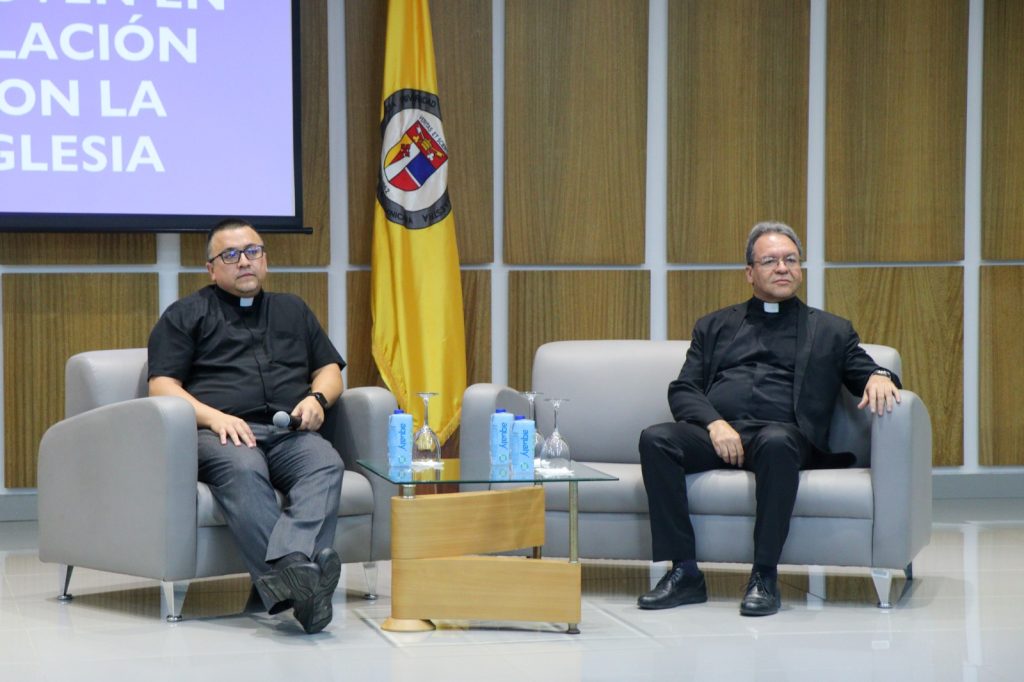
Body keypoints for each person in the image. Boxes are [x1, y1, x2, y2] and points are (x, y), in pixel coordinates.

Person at [637, 221, 902, 617]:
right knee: (656, 439)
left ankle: (764, 576)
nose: (782, 268)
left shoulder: (831, 330)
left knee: (777, 441)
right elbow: (684, 388)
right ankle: (684, 573)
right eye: (770, 261)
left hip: (784, 438)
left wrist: (880, 376)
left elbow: (867, 371)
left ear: (800, 269)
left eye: (790, 260)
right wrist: (715, 424)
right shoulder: (714, 326)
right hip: (722, 435)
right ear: (750, 273)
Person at [148, 218, 346, 634]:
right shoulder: (186, 314)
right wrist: (215, 417)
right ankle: (301, 581)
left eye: (253, 251)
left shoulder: (293, 309)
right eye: (231, 255)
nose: (244, 262)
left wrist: (317, 399)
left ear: (265, 260)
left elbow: (329, 369)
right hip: (221, 434)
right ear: (211, 268)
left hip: (289, 433)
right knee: (244, 467)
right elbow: (162, 386)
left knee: (325, 461)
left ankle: (296, 582)